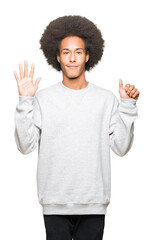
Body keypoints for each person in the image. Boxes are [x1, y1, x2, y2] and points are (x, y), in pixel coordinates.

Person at [13, 15, 140, 240]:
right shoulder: (43, 98)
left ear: (88, 56)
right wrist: (25, 101)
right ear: (58, 57)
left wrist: (128, 107)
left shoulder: (106, 99)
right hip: (55, 203)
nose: (72, 58)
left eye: (78, 52)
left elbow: (121, 148)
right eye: (66, 52)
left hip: (94, 203)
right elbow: (25, 146)